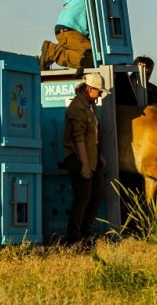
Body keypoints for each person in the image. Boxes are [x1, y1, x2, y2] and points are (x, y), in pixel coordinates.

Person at [63, 73, 110, 245]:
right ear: (90, 89)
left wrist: (99, 156)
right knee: (82, 197)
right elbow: (78, 139)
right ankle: (74, 238)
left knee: (97, 195)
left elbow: (92, 136)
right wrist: (84, 164)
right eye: (99, 92)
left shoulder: (91, 106)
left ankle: (85, 232)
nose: (101, 95)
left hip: (91, 158)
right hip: (78, 159)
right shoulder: (77, 108)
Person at [40, 0, 114, 70]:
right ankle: (52, 51)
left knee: (98, 58)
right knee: (92, 60)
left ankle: (54, 52)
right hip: (70, 29)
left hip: (76, 32)